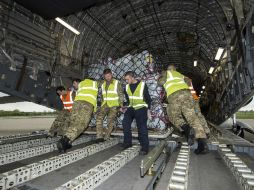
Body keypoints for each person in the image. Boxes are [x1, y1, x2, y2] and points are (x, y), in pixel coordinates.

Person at [158, 65, 208, 154]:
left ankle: (187, 129)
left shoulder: (166, 73)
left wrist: (161, 77)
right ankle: (202, 144)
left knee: (173, 116)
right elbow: (189, 82)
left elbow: (161, 82)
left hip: (174, 95)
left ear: (168, 69)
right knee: (192, 117)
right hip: (187, 94)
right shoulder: (180, 75)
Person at [57, 78, 99, 152]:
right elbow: (94, 97)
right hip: (87, 104)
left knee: (73, 123)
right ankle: (64, 141)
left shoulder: (82, 84)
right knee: (81, 124)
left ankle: (67, 142)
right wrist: (94, 110)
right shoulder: (95, 83)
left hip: (76, 104)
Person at [121, 71, 152, 155]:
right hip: (131, 108)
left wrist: (148, 110)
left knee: (142, 127)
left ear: (132, 77)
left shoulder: (142, 85)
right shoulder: (126, 87)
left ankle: (145, 147)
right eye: (125, 80)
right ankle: (128, 143)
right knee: (125, 123)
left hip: (141, 108)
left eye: (127, 79)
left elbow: (148, 99)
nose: (126, 81)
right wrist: (123, 106)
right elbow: (128, 100)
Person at [96, 69, 124, 140]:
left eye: (109, 76)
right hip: (105, 104)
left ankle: (107, 136)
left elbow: (120, 94)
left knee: (110, 120)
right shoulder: (102, 83)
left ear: (111, 75)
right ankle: (99, 137)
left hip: (114, 105)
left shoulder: (116, 83)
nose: (107, 78)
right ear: (104, 76)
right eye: (106, 76)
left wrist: (121, 105)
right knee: (99, 119)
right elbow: (102, 94)